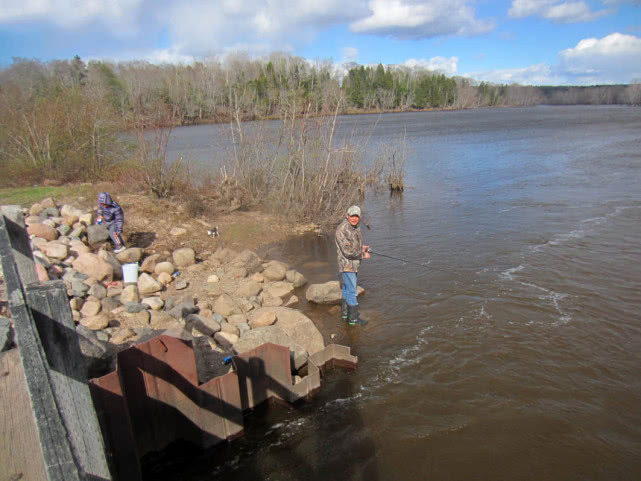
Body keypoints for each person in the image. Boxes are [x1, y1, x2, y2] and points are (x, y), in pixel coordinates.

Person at [335, 205, 370, 326]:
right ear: (347, 215)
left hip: (353, 264)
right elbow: (347, 251)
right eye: (352, 216)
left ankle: (345, 314)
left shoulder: (355, 227)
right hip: (347, 265)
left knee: (346, 288)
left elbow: (353, 244)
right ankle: (354, 319)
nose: (354, 218)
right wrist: (362, 254)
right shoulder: (342, 229)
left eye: (357, 216)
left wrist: (362, 247)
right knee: (352, 290)